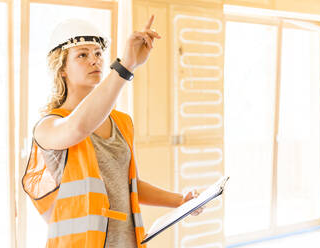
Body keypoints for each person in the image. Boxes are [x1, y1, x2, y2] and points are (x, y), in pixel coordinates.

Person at [22, 15, 203, 248]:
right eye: (82, 55)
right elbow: (78, 127)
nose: (95, 61)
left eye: (98, 54)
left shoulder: (122, 122)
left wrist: (182, 201)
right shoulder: (48, 126)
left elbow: (130, 185)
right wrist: (125, 67)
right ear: (62, 69)